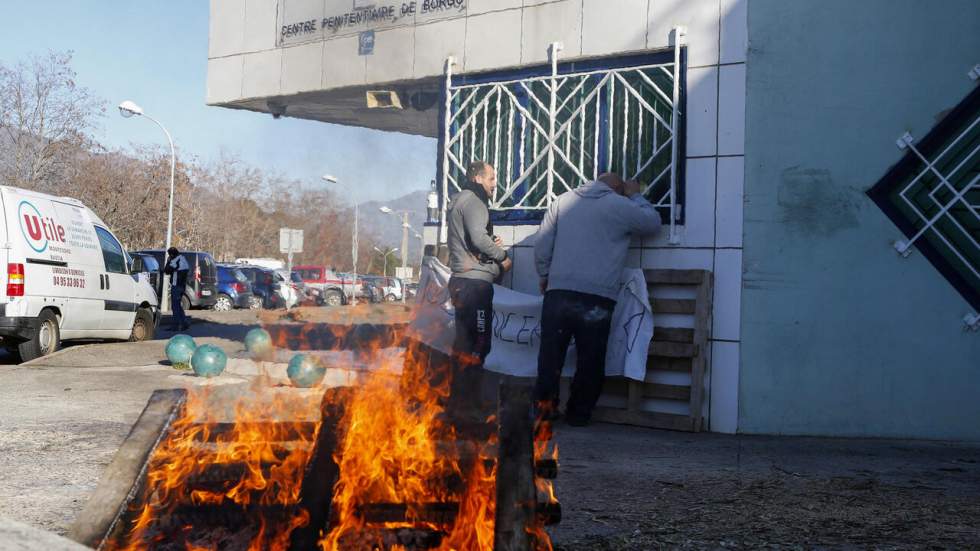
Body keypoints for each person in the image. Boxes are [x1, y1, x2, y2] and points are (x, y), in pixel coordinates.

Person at [533, 173, 662, 426]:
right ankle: (579, 415)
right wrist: (635, 195)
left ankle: (543, 413)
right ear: (617, 188)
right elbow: (652, 224)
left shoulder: (562, 201)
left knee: (550, 358)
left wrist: (546, 274)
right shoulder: (620, 205)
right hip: (596, 298)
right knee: (590, 360)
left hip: (558, 293)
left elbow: (542, 244)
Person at [446, 161, 512, 407]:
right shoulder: (475, 201)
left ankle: (458, 396)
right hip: (476, 284)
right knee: (479, 342)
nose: (495, 184)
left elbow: (470, 238)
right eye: (492, 178)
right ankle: (469, 399)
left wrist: (488, 241)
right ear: (477, 179)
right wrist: (503, 257)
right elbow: (478, 239)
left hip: (461, 280)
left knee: (463, 341)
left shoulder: (457, 200)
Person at [163, 247, 190, 331]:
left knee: (175, 306)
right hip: (182, 286)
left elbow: (167, 270)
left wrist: (168, 261)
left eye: (169, 255)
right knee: (178, 305)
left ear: (171, 254)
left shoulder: (175, 261)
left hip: (176, 285)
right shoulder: (183, 259)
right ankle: (184, 323)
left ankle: (175, 325)